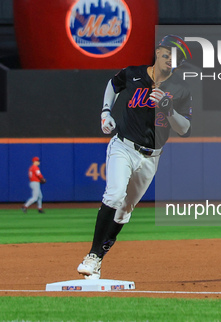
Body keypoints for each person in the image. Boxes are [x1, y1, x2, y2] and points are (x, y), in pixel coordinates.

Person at [77, 35, 193, 280]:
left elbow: (185, 129)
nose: (170, 57)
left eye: (176, 56)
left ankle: (98, 260)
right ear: (158, 50)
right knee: (115, 194)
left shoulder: (180, 90)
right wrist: (106, 111)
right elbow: (113, 84)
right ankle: (92, 256)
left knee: (125, 211)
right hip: (124, 146)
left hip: (152, 157)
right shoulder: (134, 73)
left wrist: (168, 109)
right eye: (167, 51)